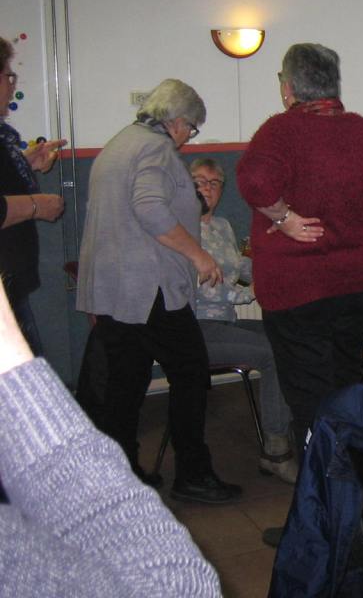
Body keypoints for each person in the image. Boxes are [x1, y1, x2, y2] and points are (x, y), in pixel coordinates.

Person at [236, 43, 363, 459]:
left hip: (296, 289)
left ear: (288, 87)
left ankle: (324, 480)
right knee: (345, 381)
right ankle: (351, 471)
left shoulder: (279, 131)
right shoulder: (362, 131)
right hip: (353, 286)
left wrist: (283, 218)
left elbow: (254, 183)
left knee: (307, 392)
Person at [0, 282, 221, 597]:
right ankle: (192, 473)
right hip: (143, 287)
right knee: (177, 373)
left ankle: (150, 468)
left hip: (126, 293)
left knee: (125, 382)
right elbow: (177, 586)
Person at [76, 79, 239, 504]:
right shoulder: (156, 148)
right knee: (191, 372)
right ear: (178, 121)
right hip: (150, 288)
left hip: (116, 289)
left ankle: (123, 473)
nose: (188, 138)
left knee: (125, 384)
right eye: (192, 129)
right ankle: (193, 473)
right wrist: (198, 256)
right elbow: (149, 208)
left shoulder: (119, 144)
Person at [190, 157, 298, 484]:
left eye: (214, 183)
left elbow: (239, 265)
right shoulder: (180, 230)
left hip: (225, 322)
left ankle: (295, 425)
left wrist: (278, 269)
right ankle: (276, 452)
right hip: (194, 329)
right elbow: (205, 286)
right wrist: (251, 292)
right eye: (199, 181)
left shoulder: (222, 225)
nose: (207, 188)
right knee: (273, 353)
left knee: (289, 337)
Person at [0, 36, 67, 355]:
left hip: (10, 284)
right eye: (9, 75)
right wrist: (37, 206)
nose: (12, 85)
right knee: (24, 376)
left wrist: (24, 163)